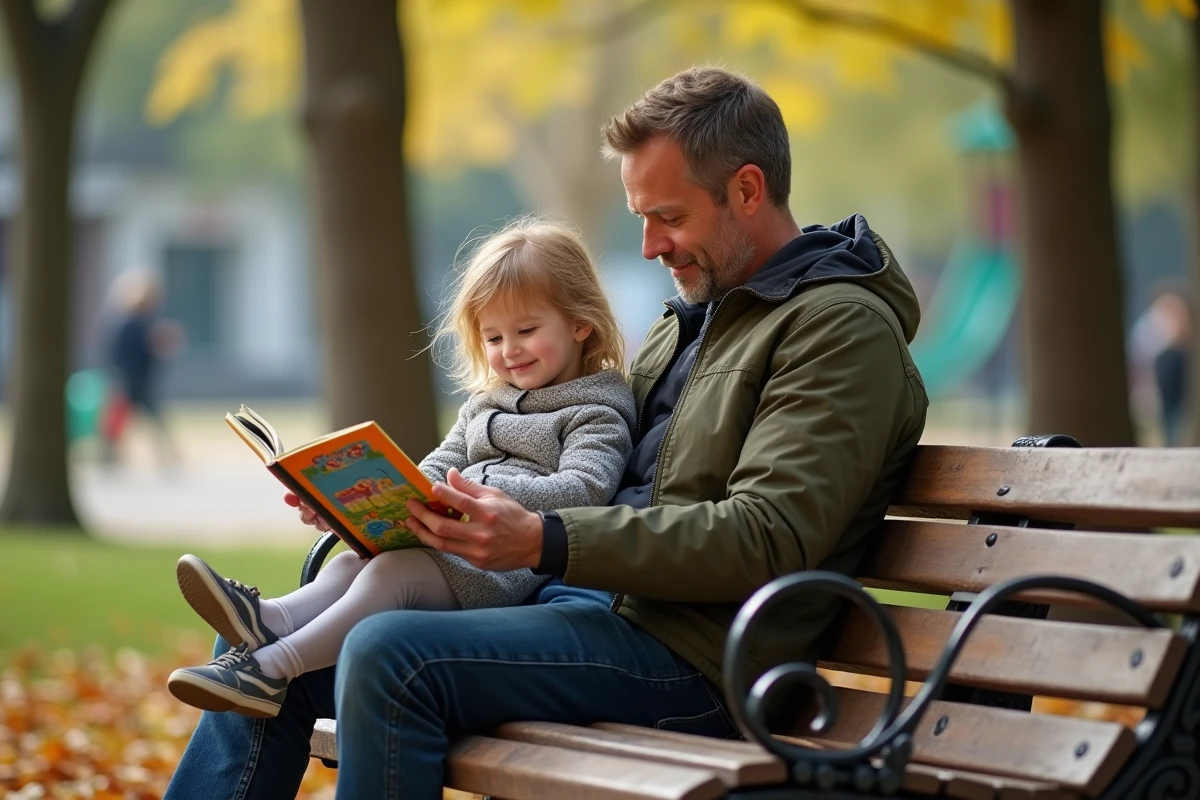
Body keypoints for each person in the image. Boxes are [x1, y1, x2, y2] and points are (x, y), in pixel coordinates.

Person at [164, 66, 929, 800]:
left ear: (748, 189)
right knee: (254, 655)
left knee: (388, 653)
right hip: (573, 612)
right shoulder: (694, 320)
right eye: (641, 220)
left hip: (693, 661)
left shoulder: (838, 330)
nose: (650, 246)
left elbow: (768, 537)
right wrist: (372, 505)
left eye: (669, 217)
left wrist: (544, 539)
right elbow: (553, 441)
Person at [165, 218, 637, 717]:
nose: (509, 350)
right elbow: (439, 465)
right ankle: (269, 617)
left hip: (499, 567)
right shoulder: (485, 405)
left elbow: (586, 488)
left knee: (388, 575)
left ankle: (273, 668)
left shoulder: (597, 410)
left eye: (526, 330)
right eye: (493, 337)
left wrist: (491, 504)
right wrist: (357, 499)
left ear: (581, 323)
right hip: (441, 544)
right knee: (351, 562)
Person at [99, 269, 185, 466]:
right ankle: (110, 456)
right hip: (129, 379)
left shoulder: (138, 322)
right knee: (124, 420)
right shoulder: (130, 324)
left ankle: (112, 456)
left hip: (135, 378)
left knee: (134, 420)